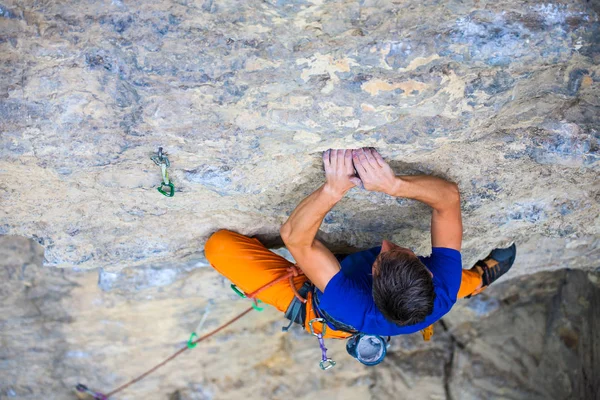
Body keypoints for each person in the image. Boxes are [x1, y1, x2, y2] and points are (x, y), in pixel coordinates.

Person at [205, 148, 516, 340]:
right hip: (424, 293)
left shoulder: (348, 299)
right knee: (459, 281)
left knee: (219, 247)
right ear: (429, 274)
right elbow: (448, 198)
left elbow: (295, 238)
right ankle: (477, 280)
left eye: (382, 257)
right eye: (397, 251)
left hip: (318, 305)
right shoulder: (443, 287)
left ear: (371, 282)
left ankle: (474, 281)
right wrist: (394, 185)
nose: (384, 244)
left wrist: (332, 189)